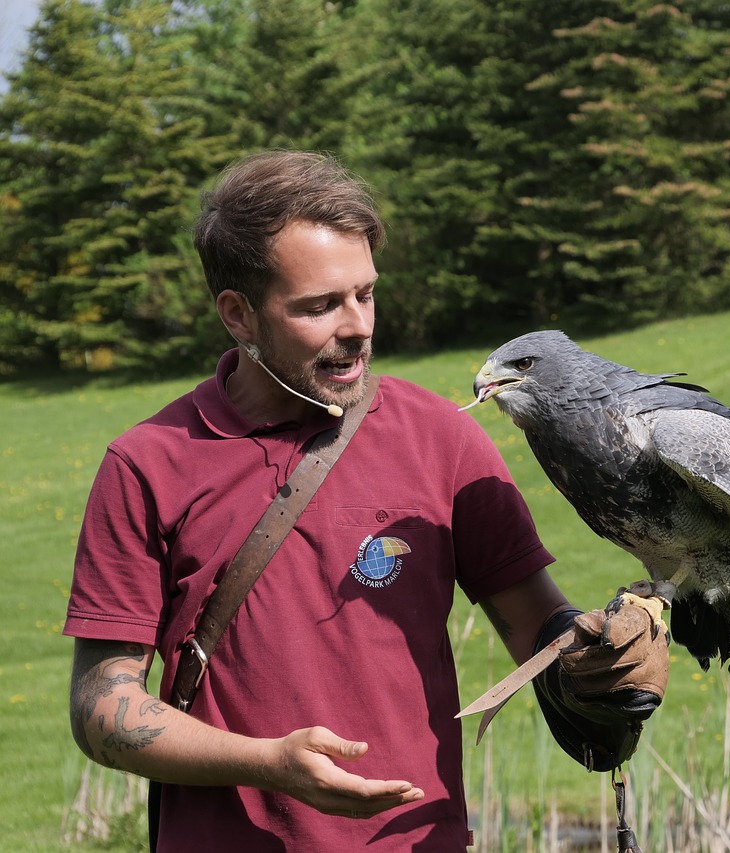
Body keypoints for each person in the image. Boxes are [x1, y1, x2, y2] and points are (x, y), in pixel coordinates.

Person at [65, 150, 670, 852]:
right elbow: (100, 706)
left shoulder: (441, 437)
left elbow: (540, 628)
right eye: (320, 305)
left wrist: (600, 663)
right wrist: (267, 765)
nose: (358, 326)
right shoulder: (147, 464)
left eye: (366, 293)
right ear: (238, 314)